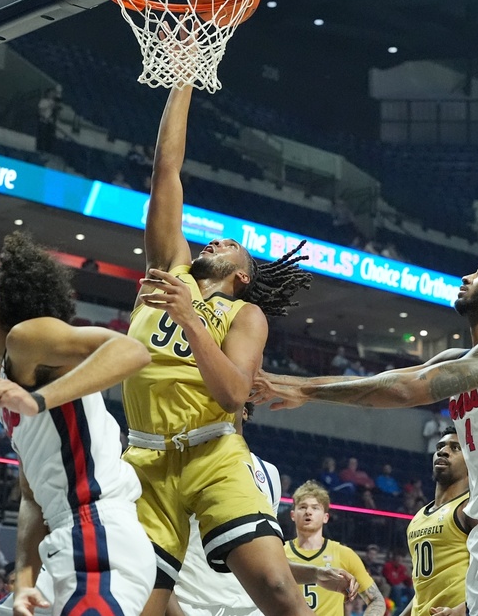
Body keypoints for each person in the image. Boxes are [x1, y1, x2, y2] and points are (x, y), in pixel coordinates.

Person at [254, 236, 478, 616]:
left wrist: (304, 389)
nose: (466, 277)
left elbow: (407, 390)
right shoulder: (459, 358)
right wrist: (296, 384)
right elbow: (382, 383)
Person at [121, 85, 315, 616]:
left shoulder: (244, 315)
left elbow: (233, 394)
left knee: (278, 590)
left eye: (230, 245)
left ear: (242, 276)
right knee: (139, 606)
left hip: (213, 453)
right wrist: (183, 79)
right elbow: (166, 171)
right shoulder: (168, 269)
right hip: (144, 458)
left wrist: (190, 318)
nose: (216, 241)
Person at [0, 231, 158, 616]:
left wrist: (37, 401)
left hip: (96, 536)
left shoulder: (25, 340)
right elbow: (31, 498)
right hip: (62, 545)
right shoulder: (11, 384)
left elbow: (133, 351)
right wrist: (24, 583)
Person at [169, 403, 358, 616]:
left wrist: (316, 574)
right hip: (192, 608)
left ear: (244, 411)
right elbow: (157, 556)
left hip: (252, 609)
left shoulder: (268, 473)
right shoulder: (179, 464)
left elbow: (264, 561)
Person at [284, 481, 385, 616]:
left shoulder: (344, 554)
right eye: (302, 507)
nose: (308, 512)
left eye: (315, 508)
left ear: (326, 517)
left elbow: (376, 600)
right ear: (292, 515)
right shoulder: (280, 553)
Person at [400, 427, 471, 616]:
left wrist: (460, 611)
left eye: (455, 448)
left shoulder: (471, 508)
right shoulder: (417, 518)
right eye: (440, 446)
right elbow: (423, 588)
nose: (443, 451)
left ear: (472, 461)